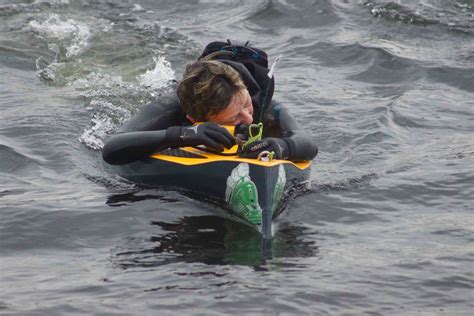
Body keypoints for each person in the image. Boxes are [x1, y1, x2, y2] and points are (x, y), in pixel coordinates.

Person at [102, 41, 317, 165]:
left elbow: (308, 143)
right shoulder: (173, 106)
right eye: (234, 117)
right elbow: (111, 148)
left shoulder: (260, 101)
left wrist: (283, 146)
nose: (249, 118)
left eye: (245, 106)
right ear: (195, 119)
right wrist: (185, 135)